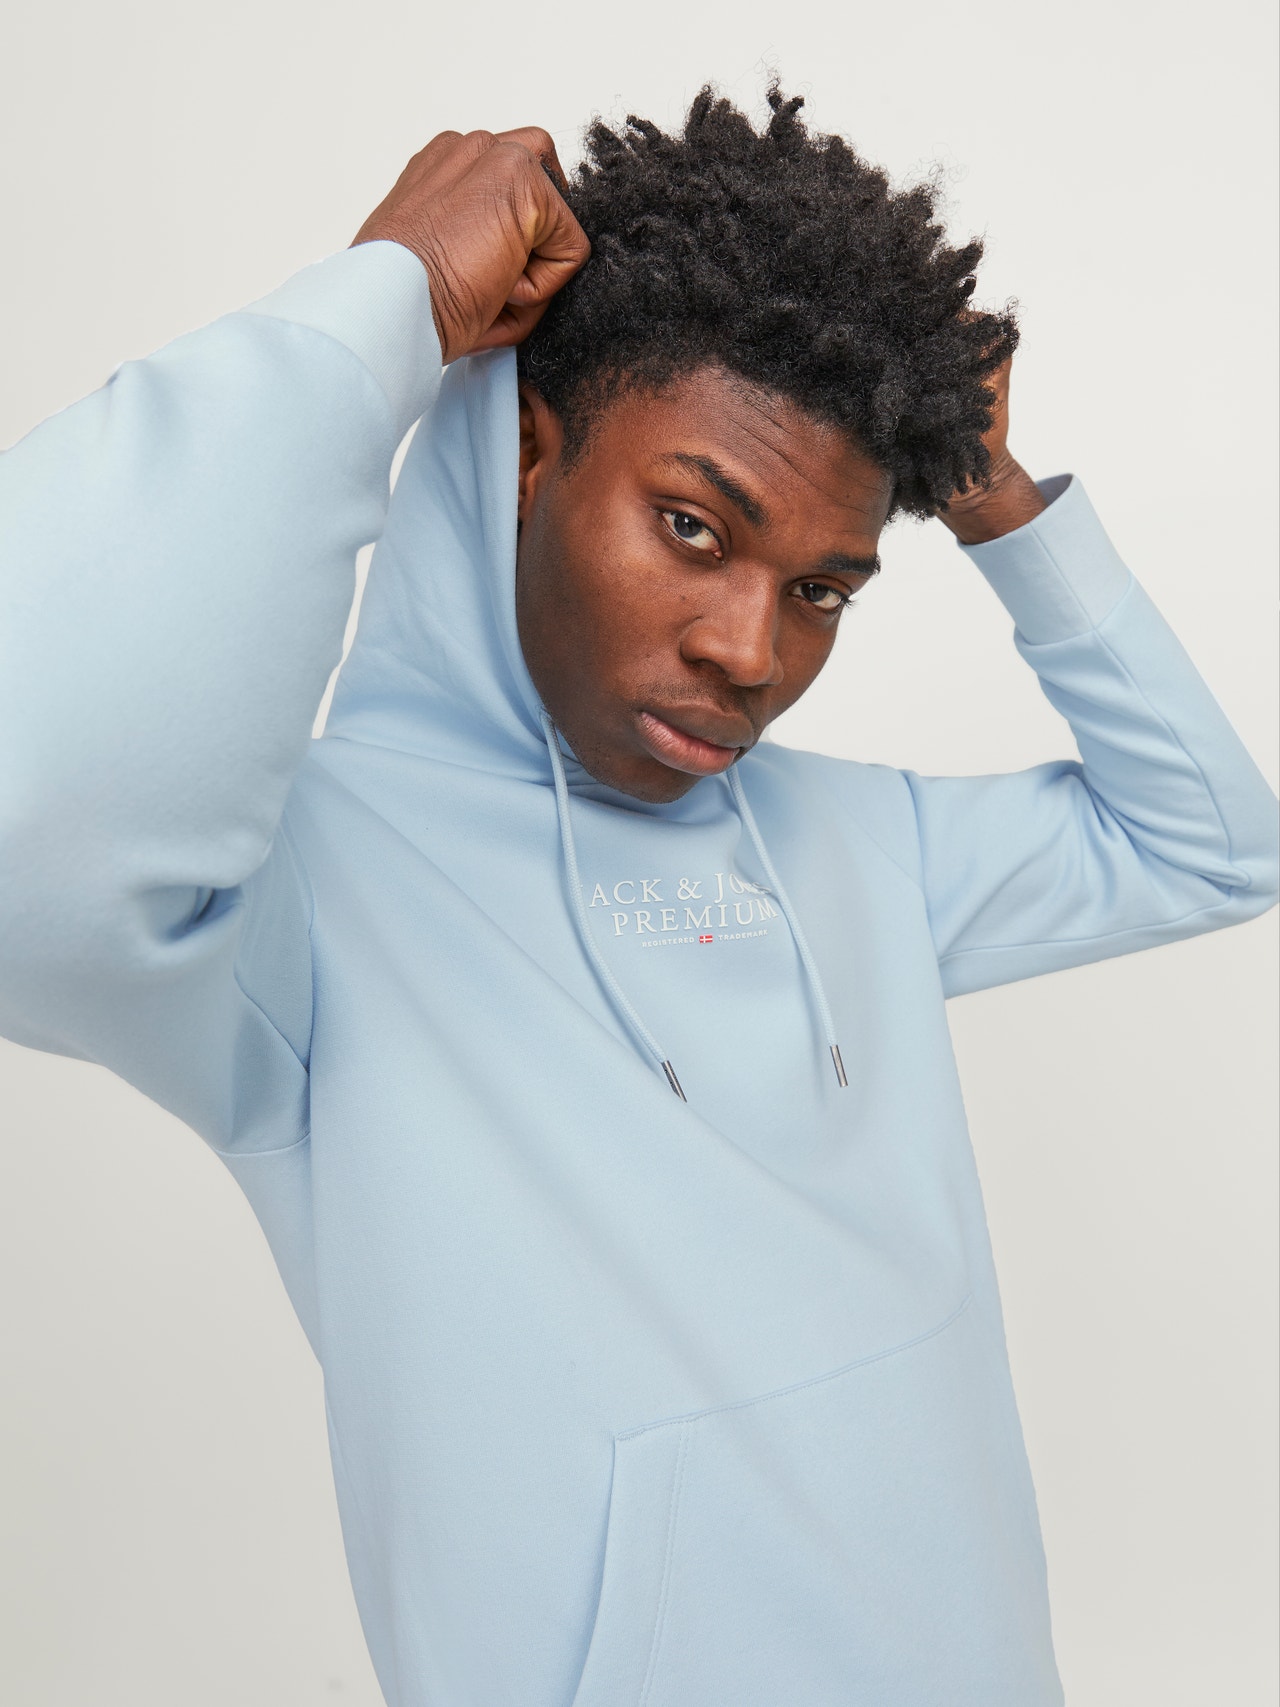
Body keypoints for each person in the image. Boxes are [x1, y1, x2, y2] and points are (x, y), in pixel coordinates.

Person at [0, 84, 1275, 1707]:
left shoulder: (856, 842)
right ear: (530, 456)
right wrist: (377, 313)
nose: (753, 653)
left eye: (821, 591)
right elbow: (29, 828)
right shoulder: (302, 897)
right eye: (692, 526)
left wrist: (994, 500)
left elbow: (1213, 845)